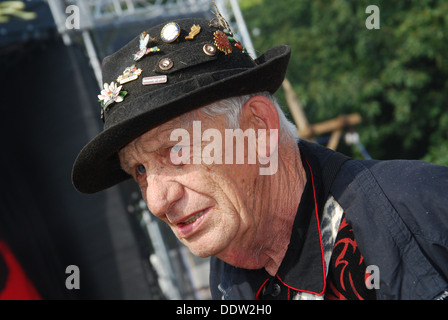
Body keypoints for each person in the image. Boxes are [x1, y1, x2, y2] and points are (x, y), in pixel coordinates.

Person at [72, 16, 448, 300]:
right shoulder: (229, 283)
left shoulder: (424, 205)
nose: (157, 201)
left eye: (177, 150)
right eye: (139, 169)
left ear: (258, 127)